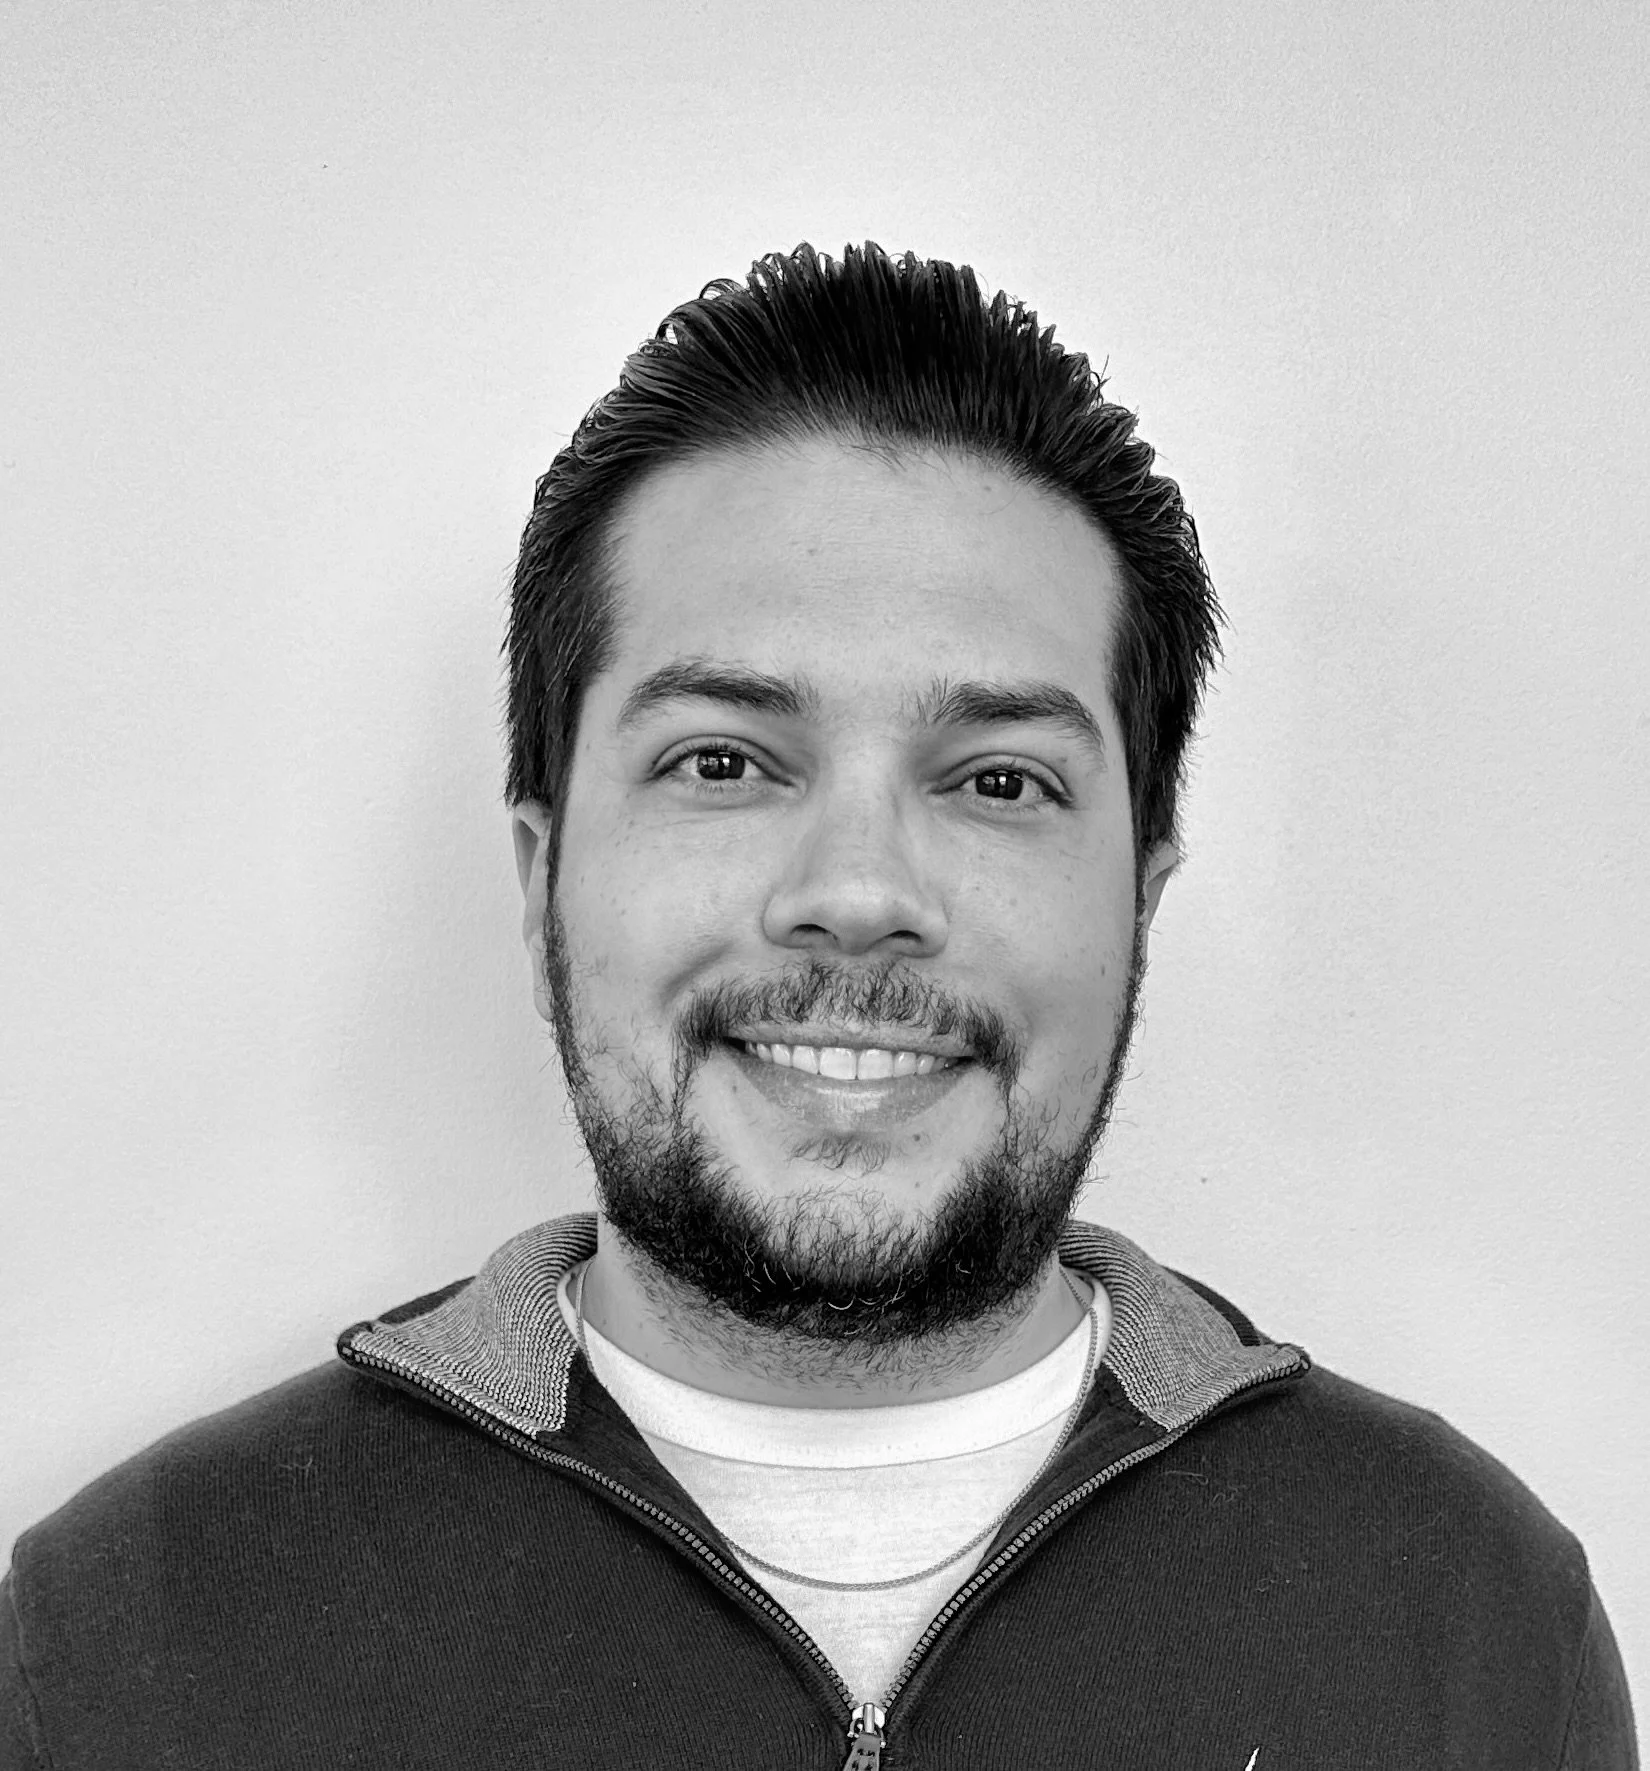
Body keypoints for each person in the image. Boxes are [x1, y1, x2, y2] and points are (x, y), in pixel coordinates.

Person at [2, 242, 1635, 1771]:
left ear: (1140, 888)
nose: (858, 887)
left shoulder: (1473, 1621)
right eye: (723, 760)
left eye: (999, 778)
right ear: (539, 869)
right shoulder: (125, 1634)